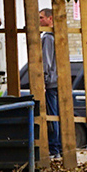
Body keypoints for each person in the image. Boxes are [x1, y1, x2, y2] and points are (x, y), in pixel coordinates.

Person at [38, 8, 63, 158]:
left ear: (50, 19)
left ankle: (54, 149)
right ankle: (57, 147)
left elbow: (46, 62)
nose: (39, 21)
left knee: (52, 115)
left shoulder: (47, 37)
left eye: (41, 18)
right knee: (58, 115)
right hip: (59, 81)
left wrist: (44, 82)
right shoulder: (57, 36)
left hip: (51, 83)